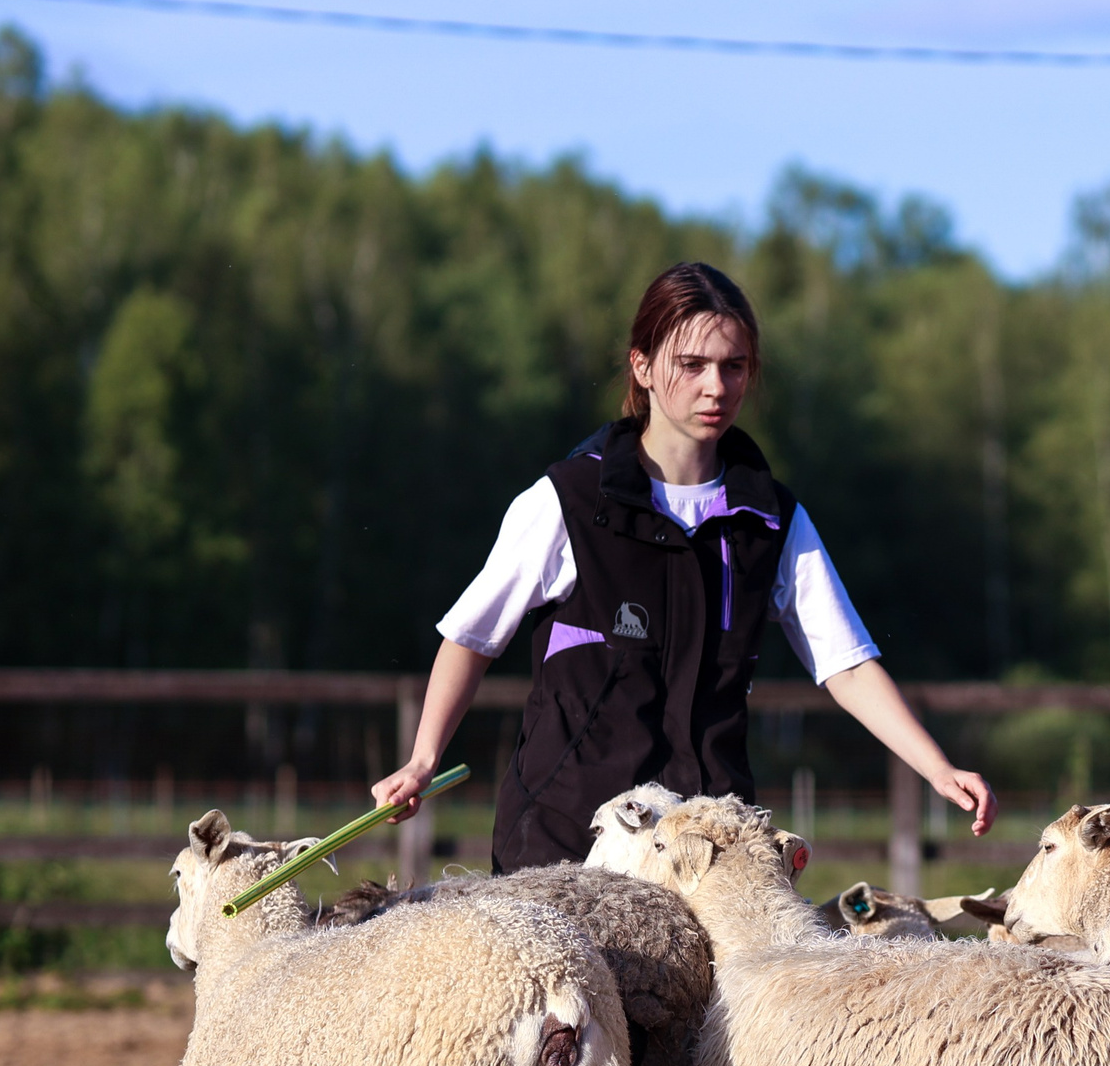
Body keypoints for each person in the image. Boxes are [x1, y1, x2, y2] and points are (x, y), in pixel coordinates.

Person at [374, 260, 994, 868]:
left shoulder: (773, 519)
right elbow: (471, 637)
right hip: (566, 848)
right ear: (642, 367)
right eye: (691, 365)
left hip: (707, 857)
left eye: (734, 367)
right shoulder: (564, 501)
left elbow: (846, 666)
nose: (715, 388)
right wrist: (423, 758)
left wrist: (937, 768)